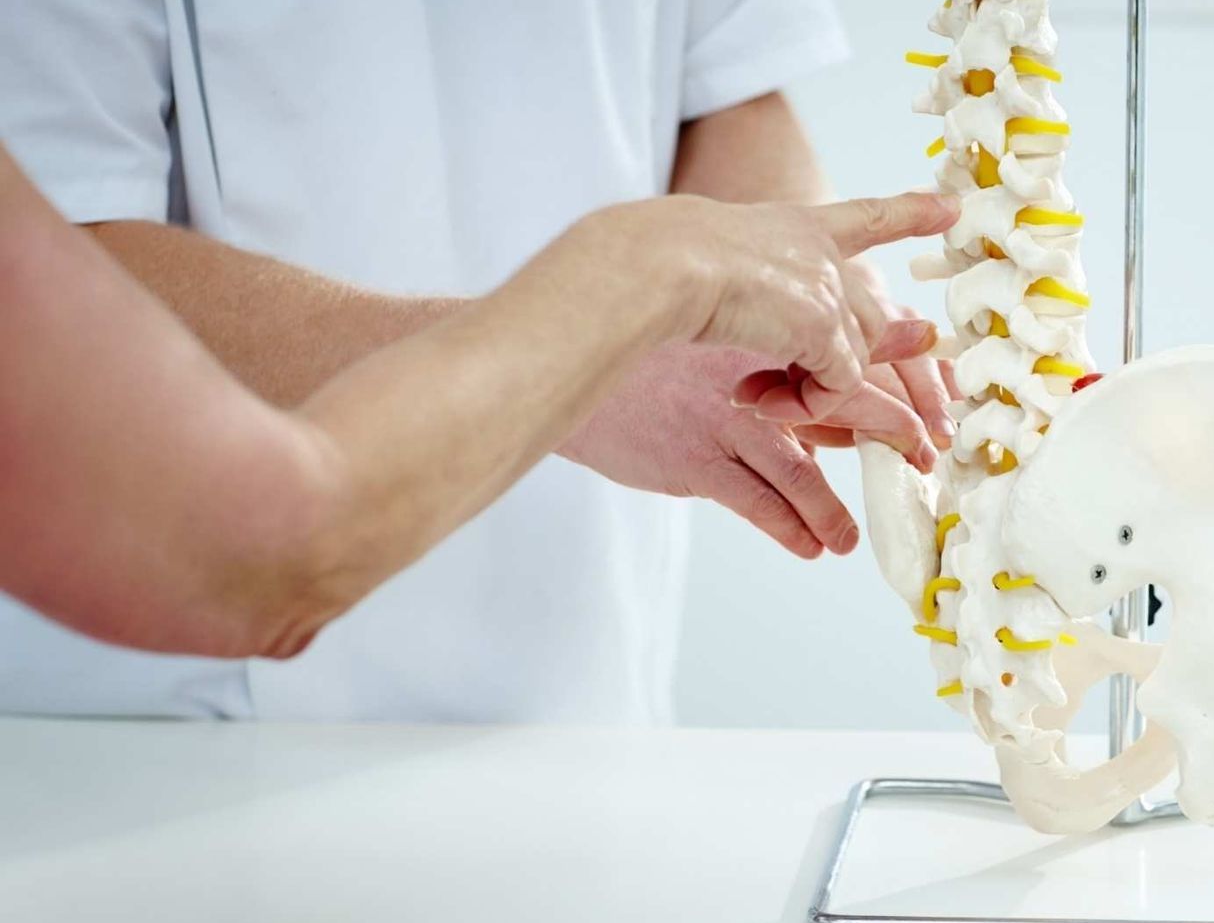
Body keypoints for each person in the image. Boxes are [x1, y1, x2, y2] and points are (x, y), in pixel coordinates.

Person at [0, 0, 939, 720]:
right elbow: (65, 256)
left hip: (575, 660)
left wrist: (790, 282)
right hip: (176, 721)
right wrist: (596, 343)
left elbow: (731, 77)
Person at [0, 144, 956, 659]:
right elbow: (265, 560)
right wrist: (629, 299)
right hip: (154, 761)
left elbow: (729, 81)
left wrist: (781, 276)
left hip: (583, 692)